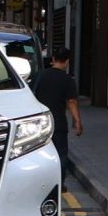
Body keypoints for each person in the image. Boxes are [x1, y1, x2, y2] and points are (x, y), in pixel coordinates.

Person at [30, 46, 85, 175]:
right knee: (60, 154)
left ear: (53, 59)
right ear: (67, 62)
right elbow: (72, 101)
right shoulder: (68, 80)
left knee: (39, 153)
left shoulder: (39, 76)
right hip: (58, 122)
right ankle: (59, 182)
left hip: (40, 123)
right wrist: (77, 121)